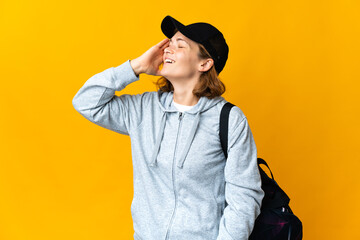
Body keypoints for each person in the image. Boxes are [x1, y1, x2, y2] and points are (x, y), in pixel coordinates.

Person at [72, 15, 264, 240]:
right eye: (169, 43)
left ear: (205, 63)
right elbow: (85, 101)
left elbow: (245, 196)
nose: (168, 50)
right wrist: (136, 66)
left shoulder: (229, 120)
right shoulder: (143, 110)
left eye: (180, 45)